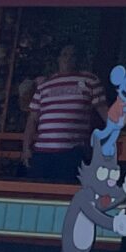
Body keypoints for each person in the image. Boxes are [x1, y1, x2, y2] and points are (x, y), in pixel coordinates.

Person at [24, 44, 103, 186]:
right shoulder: (45, 85)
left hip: (72, 151)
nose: (68, 59)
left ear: (79, 59)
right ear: (59, 59)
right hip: (42, 151)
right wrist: (26, 148)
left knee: (67, 192)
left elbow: (103, 111)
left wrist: (120, 129)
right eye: (65, 54)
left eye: (73, 55)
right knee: (38, 191)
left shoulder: (90, 81)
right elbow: (32, 119)